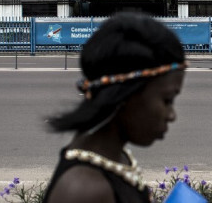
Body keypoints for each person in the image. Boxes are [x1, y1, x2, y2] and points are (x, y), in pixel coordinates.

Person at [44, 12, 187, 203]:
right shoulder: (84, 191)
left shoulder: (114, 157)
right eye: (167, 100)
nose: (172, 115)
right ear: (124, 95)